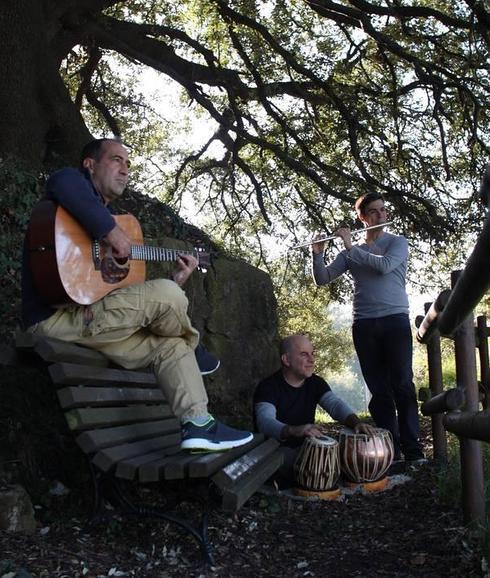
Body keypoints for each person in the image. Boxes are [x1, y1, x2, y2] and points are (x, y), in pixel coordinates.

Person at [21, 137, 252, 452]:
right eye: (116, 160)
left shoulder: (111, 218)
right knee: (168, 297)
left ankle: (198, 424)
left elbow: (119, 299)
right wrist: (111, 232)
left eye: (128, 164)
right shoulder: (72, 186)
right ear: (89, 164)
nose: (125, 170)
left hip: (92, 321)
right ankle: (194, 344)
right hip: (56, 318)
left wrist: (175, 278)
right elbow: (61, 182)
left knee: (171, 344)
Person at [311, 192, 425, 463]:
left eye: (383, 210)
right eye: (374, 212)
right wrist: (316, 254)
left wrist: (352, 248)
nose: (381, 215)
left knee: (402, 384)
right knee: (379, 389)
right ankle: (391, 451)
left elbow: (384, 267)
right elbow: (323, 278)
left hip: (395, 320)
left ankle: (413, 450)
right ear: (362, 217)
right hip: (364, 324)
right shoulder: (350, 252)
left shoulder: (397, 243)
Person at [253, 334, 375, 486]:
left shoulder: (315, 383)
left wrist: (356, 423)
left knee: (349, 451)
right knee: (293, 459)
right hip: (277, 452)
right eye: (304, 354)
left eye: (312, 354)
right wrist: (293, 430)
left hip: (308, 448)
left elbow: (335, 405)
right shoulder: (268, 387)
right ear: (286, 360)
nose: (312, 360)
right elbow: (265, 422)